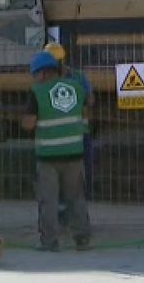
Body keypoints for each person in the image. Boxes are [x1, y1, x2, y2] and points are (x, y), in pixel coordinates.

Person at [23, 51, 90, 251]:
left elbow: (29, 123)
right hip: (75, 152)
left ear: (42, 73)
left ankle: (49, 241)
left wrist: (23, 122)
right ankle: (82, 239)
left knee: (48, 201)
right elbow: (85, 112)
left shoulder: (37, 92)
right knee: (76, 198)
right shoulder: (76, 87)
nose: (35, 78)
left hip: (48, 156)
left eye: (35, 74)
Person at [44, 42, 94, 197]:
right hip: (62, 134)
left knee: (80, 167)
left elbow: (90, 100)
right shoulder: (46, 80)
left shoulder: (76, 77)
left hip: (76, 132)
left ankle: (83, 194)